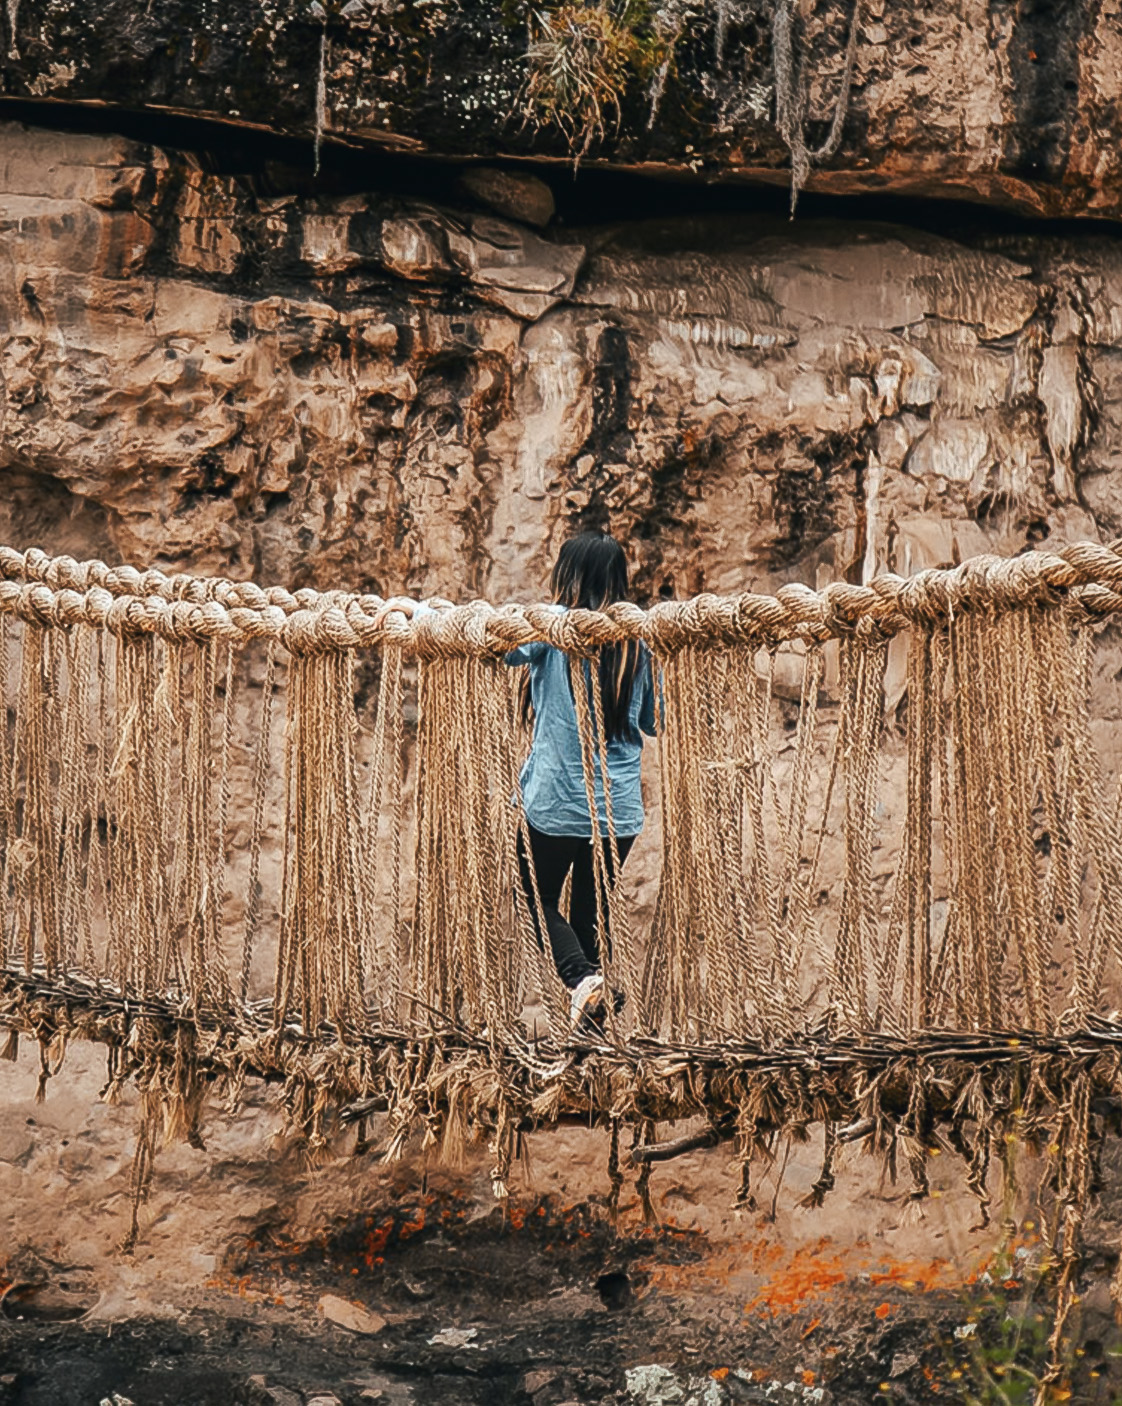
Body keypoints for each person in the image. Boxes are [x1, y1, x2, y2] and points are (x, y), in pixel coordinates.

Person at [504, 530, 656, 1031]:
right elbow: (652, 721)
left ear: (566, 576)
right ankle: (589, 1036)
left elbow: (502, 649)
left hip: (558, 801)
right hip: (619, 811)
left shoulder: (553, 631)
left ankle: (582, 981)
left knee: (534, 896)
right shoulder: (636, 641)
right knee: (590, 920)